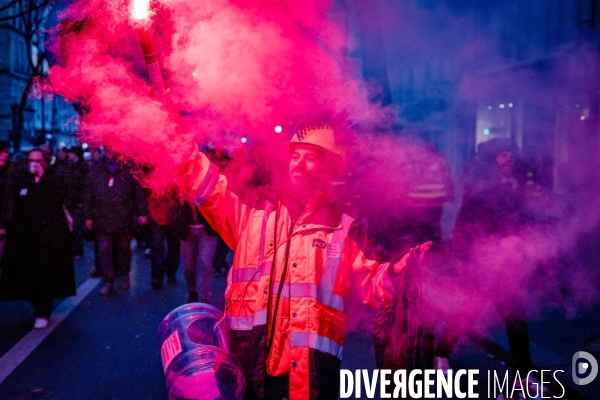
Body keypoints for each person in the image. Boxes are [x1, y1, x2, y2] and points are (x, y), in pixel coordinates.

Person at [176, 123, 431, 400]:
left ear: (329, 169)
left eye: (311, 157)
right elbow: (206, 185)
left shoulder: (343, 228)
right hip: (250, 362)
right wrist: (172, 137)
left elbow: (373, 281)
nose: (299, 163)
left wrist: (395, 272)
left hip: (312, 376)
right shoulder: (252, 212)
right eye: (295, 155)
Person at [452, 138, 542, 400]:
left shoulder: (515, 185)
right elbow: (465, 221)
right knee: (468, 311)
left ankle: (523, 378)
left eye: (510, 154)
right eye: (503, 155)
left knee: (515, 319)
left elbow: (520, 220)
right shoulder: (481, 187)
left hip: (504, 264)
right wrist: (462, 256)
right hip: (482, 262)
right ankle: (441, 354)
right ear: (492, 159)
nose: (509, 159)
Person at [0, 148, 75, 329]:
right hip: (27, 237)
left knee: (45, 273)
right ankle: (37, 305)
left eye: (39, 160)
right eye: (31, 160)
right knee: (29, 274)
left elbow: (56, 200)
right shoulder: (21, 179)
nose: (35, 163)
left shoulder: (53, 178)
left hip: (49, 237)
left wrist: (41, 179)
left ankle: (43, 310)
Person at [85, 151, 149, 295]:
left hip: (123, 217)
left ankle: (125, 274)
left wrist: (142, 212)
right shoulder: (97, 168)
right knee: (104, 249)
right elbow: (89, 193)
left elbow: (139, 192)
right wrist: (88, 216)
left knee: (123, 249)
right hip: (102, 217)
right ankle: (108, 281)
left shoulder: (129, 168)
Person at [179, 202, 218, 303]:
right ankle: (192, 291)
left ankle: (205, 298)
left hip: (207, 229)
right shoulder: (183, 187)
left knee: (206, 263)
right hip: (187, 228)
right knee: (188, 266)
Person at [148, 189, 182, 289]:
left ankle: (170, 271)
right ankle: (157, 276)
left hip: (173, 215)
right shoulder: (151, 174)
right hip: (156, 214)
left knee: (173, 247)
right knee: (157, 247)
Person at [0, 141, 15, 260]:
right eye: (1, 152)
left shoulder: (10, 175)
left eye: (5, 152)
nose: (4, 155)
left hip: (6, 226)